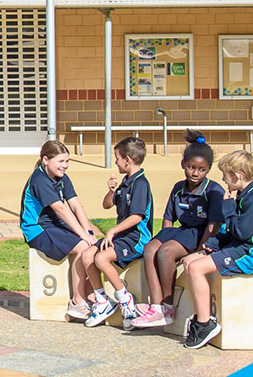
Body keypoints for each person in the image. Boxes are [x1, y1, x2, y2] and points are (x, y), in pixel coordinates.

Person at [179, 151, 253, 349]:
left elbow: (241, 232)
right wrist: (215, 243)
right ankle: (202, 312)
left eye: (225, 175)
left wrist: (227, 207)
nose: (223, 179)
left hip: (251, 254)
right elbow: (232, 231)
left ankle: (204, 324)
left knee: (197, 268)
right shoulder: (243, 194)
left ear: (237, 175)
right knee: (189, 261)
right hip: (239, 246)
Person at [131, 130, 225, 328]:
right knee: (150, 249)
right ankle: (156, 306)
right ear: (183, 164)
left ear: (208, 169)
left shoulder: (213, 191)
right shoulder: (178, 188)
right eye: (191, 167)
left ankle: (167, 306)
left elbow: (213, 225)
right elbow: (168, 219)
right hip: (180, 232)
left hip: (199, 234)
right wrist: (162, 237)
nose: (195, 173)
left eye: (202, 169)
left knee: (166, 252)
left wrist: (199, 251)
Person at [19, 140, 102, 320]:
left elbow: (76, 206)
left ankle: (93, 296)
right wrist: (83, 236)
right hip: (37, 229)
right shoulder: (39, 179)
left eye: (67, 161)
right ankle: (77, 302)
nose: (65, 165)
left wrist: (88, 232)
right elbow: (61, 209)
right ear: (46, 160)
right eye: (61, 161)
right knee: (82, 247)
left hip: (54, 225)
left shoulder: (63, 178)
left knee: (92, 245)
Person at [84, 137, 153, 329]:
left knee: (101, 259)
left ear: (127, 160)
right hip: (121, 237)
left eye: (117, 158)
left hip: (136, 238)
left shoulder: (140, 184)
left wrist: (112, 231)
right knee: (87, 255)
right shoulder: (125, 182)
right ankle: (102, 300)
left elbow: (137, 217)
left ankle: (125, 299)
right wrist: (111, 191)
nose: (115, 162)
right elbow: (106, 205)